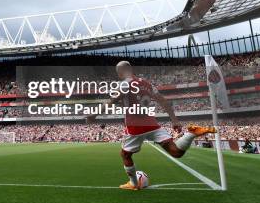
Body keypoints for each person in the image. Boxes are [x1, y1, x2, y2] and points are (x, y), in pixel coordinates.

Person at [86, 61, 216, 190]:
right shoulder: (148, 84)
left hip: (135, 127)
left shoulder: (124, 84)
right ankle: (191, 134)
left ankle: (133, 183)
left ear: (120, 73)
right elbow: (164, 101)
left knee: (125, 155)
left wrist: (94, 115)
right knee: (175, 152)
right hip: (152, 124)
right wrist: (174, 120)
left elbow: (111, 101)